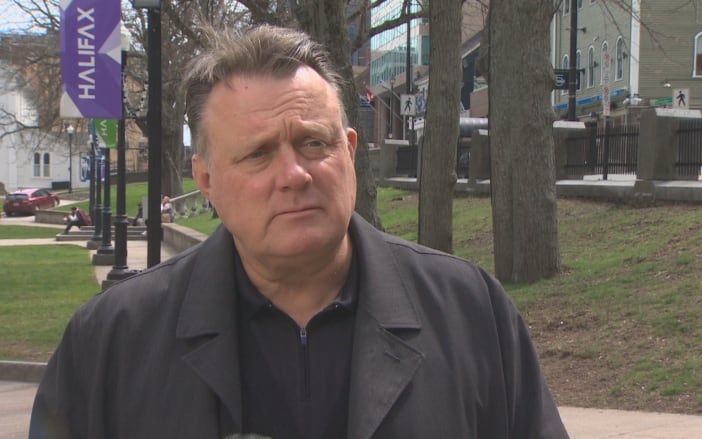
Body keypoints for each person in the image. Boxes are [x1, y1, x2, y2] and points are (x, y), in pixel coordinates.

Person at [30, 25, 569, 438]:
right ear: (207, 181)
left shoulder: (472, 314)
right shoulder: (112, 342)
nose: (293, 175)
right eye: (258, 153)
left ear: (351, 153)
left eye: (313, 143)